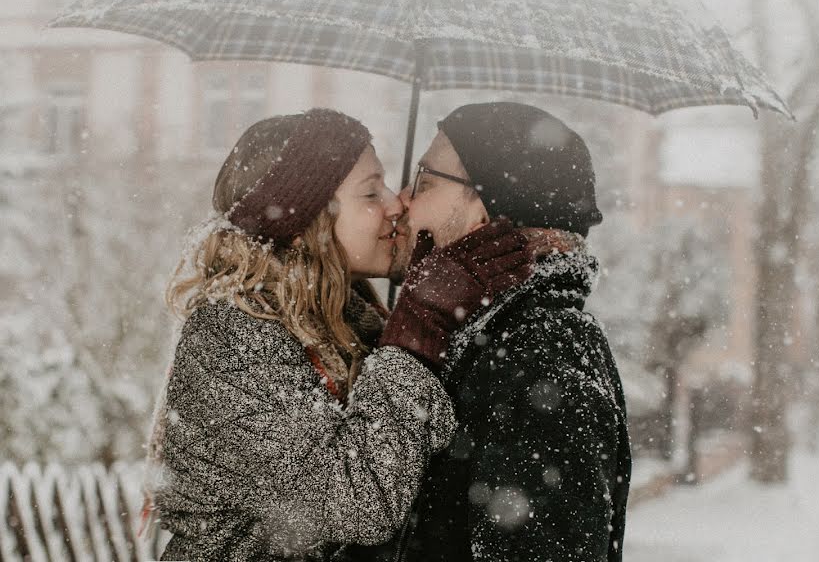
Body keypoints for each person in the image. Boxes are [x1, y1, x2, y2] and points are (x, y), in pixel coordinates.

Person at [139, 109, 532, 561]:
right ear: (306, 222)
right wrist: (419, 325)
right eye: (371, 192)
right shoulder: (231, 336)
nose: (395, 203)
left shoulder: (351, 319)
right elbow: (359, 503)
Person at [380, 102, 632, 562]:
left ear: (486, 212)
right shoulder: (492, 336)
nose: (402, 200)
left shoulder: (541, 355)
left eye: (426, 181)